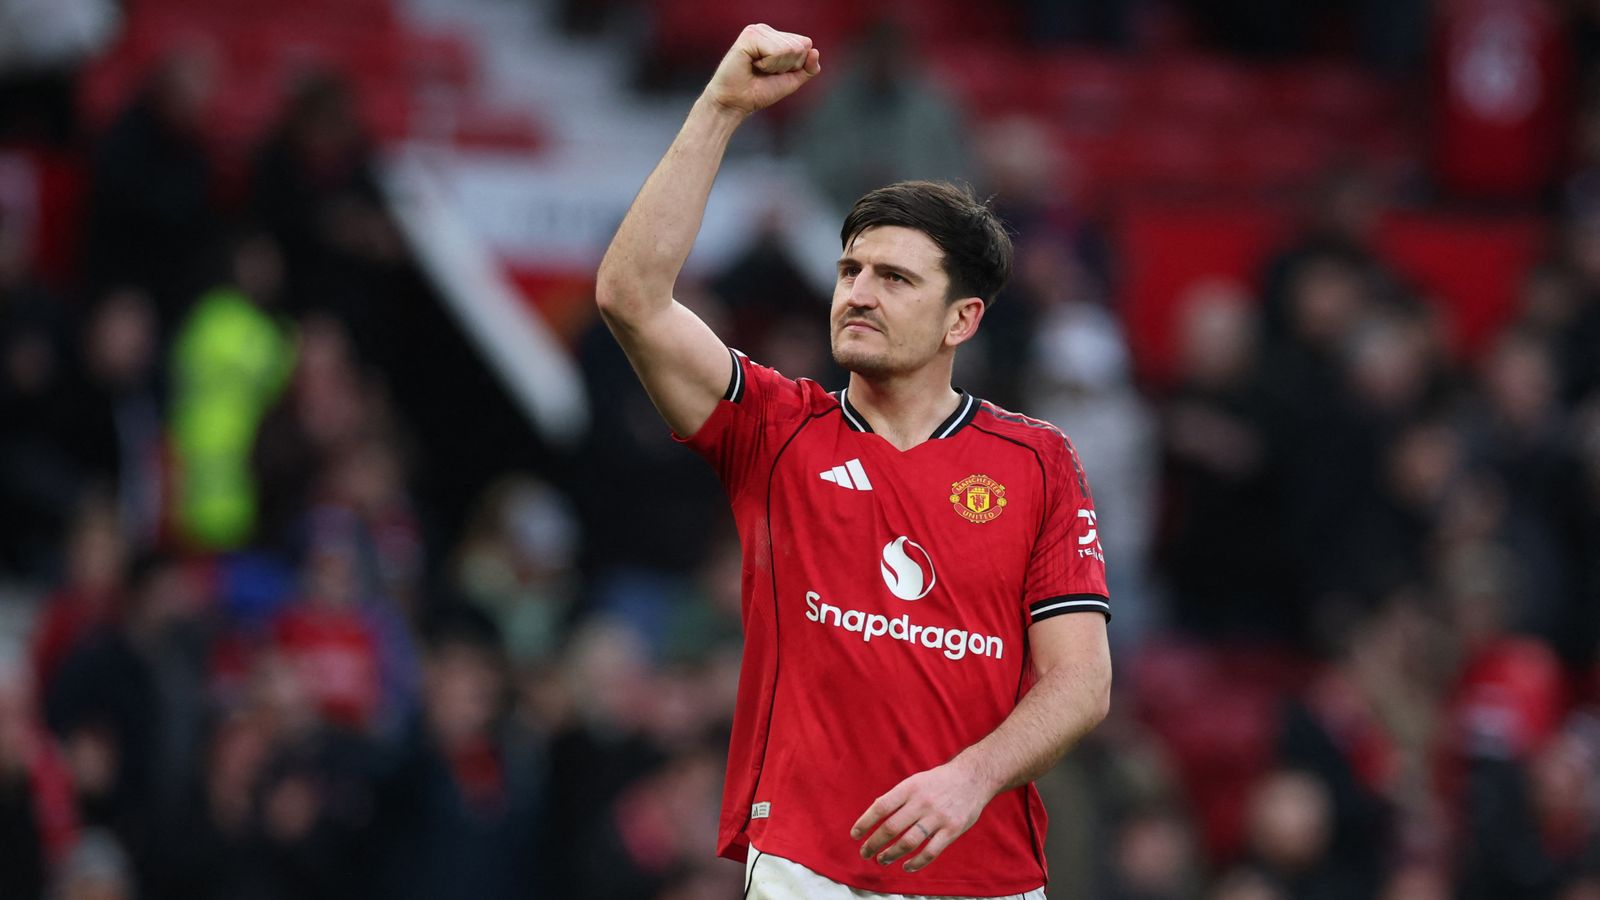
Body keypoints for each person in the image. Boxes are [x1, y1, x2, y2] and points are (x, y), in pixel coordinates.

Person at [593, 24, 1112, 898]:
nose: (859, 292)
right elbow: (631, 300)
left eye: (896, 278)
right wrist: (721, 107)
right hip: (807, 870)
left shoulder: (1038, 462)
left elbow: (1081, 681)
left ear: (963, 321)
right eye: (850, 270)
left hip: (986, 878)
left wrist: (972, 777)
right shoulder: (774, 429)